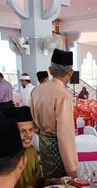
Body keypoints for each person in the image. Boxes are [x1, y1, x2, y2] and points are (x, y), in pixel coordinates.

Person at [30, 48, 77, 178]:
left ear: (50, 71)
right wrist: (71, 168)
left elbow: (34, 125)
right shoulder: (63, 95)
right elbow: (64, 135)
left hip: (44, 145)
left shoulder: (36, 91)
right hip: (59, 151)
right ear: (71, 72)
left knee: (49, 186)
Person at [3, 107, 57, 188]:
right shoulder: (1, 158)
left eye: (30, 130)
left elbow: (36, 181)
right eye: (22, 131)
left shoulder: (31, 151)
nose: (28, 135)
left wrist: (51, 182)